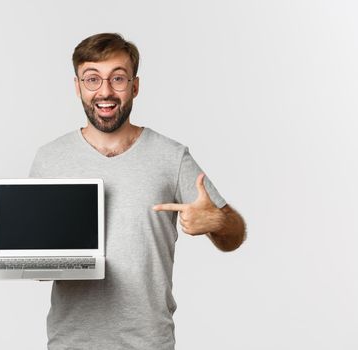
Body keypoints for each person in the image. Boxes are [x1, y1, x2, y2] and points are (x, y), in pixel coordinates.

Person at [28, 32, 246, 350]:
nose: (105, 91)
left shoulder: (171, 156)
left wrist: (217, 223)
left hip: (148, 343)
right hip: (70, 342)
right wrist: (40, 255)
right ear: (77, 87)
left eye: (118, 78)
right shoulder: (49, 159)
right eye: (92, 79)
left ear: (135, 86)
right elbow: (39, 271)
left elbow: (235, 235)